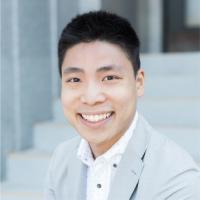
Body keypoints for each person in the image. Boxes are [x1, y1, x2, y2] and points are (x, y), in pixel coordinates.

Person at [45, 11, 200, 200]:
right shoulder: (61, 159)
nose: (91, 98)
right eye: (75, 79)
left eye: (109, 78)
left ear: (139, 82)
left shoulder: (178, 180)